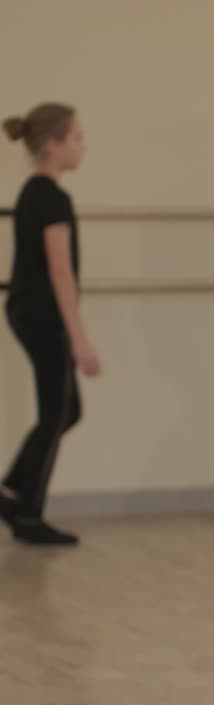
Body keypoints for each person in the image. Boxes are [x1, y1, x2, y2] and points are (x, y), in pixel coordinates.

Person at [0, 103, 99, 546]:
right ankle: (28, 516)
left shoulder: (31, 193)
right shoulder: (51, 198)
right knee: (56, 412)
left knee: (66, 410)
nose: (83, 146)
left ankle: (10, 492)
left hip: (27, 311)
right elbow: (61, 273)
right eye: (76, 138)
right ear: (54, 145)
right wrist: (79, 340)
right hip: (43, 317)